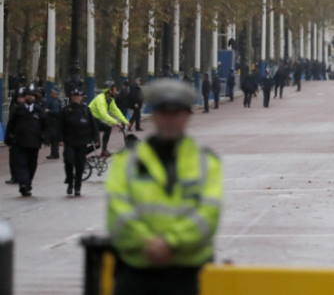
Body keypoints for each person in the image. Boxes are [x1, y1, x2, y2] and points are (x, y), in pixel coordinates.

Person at [106, 78, 222, 295]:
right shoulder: (127, 161)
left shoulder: (206, 162)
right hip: (135, 271)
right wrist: (148, 242)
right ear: (155, 116)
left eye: (176, 113)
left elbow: (208, 213)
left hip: (184, 274)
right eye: (163, 112)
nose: (170, 119)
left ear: (188, 115)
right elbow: (117, 210)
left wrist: (169, 243)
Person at [5, 85, 48, 196]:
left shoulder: (39, 110)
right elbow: (11, 124)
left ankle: (28, 184)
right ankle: (23, 184)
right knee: (21, 164)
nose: (30, 97)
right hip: (20, 142)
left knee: (31, 164)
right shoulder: (18, 110)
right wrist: (8, 138)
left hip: (34, 142)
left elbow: (45, 125)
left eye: (32, 95)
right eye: (28, 95)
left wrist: (46, 138)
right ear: (25, 97)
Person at [59, 87, 100, 196]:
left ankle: (77, 186)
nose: (76, 98)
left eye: (78, 96)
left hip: (82, 141)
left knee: (80, 164)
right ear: (72, 97)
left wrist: (96, 139)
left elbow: (93, 125)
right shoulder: (66, 110)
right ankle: (69, 181)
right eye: (74, 96)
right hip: (69, 141)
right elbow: (60, 126)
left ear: (81, 97)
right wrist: (60, 139)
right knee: (68, 161)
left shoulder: (86, 110)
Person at [90, 81, 131, 157]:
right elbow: (104, 114)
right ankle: (81, 155)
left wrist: (125, 121)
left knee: (108, 128)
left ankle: (104, 151)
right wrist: (116, 122)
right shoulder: (100, 99)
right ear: (110, 91)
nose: (116, 92)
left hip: (96, 120)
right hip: (89, 120)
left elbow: (116, 111)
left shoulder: (110, 100)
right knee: (97, 144)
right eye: (115, 90)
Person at [5, 88, 26, 185]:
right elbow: (10, 123)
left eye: (22, 97)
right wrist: (8, 137)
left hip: (26, 137)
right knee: (13, 158)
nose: (20, 99)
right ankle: (14, 176)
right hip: (15, 137)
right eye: (19, 97)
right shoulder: (14, 108)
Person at [45, 88, 63, 159]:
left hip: (54, 122)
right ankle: (54, 153)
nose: (51, 93)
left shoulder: (55, 102)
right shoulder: (56, 101)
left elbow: (56, 112)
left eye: (52, 92)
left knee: (54, 139)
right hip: (54, 122)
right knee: (53, 139)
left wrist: (48, 111)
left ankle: (54, 153)